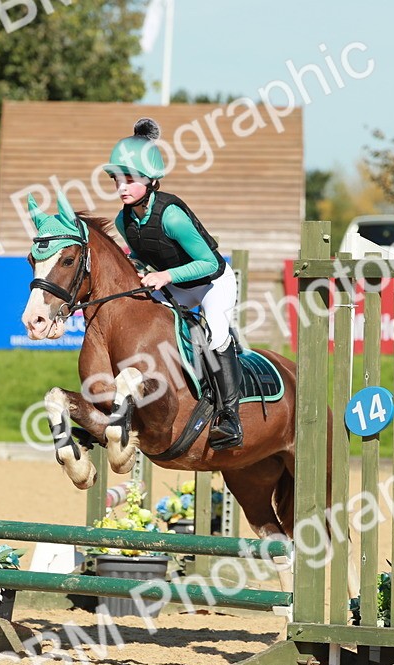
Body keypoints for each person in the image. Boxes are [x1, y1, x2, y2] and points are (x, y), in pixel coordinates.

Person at [104, 118, 243, 450]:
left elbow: (209, 263)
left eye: (130, 179)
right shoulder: (123, 220)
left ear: (152, 181)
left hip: (213, 283)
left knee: (218, 334)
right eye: (116, 180)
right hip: (178, 285)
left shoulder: (172, 215)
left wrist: (165, 276)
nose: (122, 187)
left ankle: (229, 417)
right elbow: (141, 256)